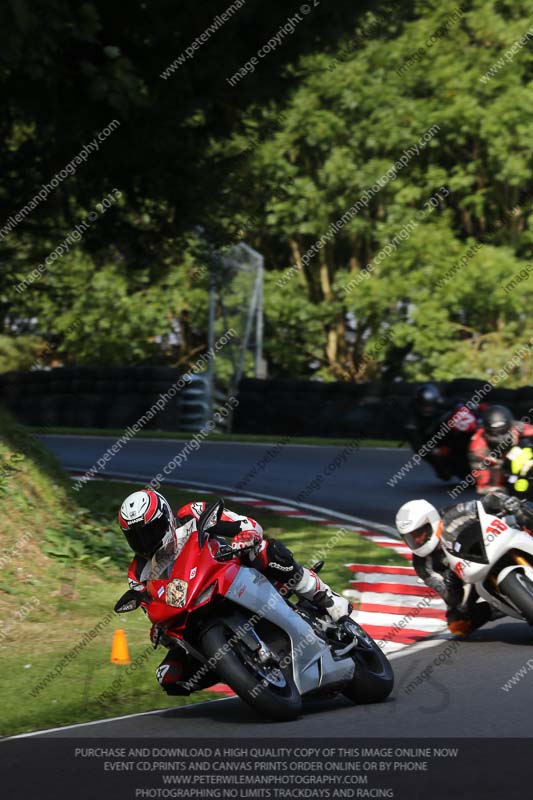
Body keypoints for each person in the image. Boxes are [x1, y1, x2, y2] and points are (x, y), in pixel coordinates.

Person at [118, 489, 351, 694]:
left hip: (231, 570)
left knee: (265, 551)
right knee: (169, 676)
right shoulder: (138, 573)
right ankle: (236, 668)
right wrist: (159, 631)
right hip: (191, 608)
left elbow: (245, 523)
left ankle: (325, 597)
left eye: (150, 531)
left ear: (166, 517)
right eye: (136, 537)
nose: (145, 541)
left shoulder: (191, 513)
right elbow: (152, 608)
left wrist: (244, 535)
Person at [395, 492, 533, 636]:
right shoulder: (422, 565)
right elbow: (448, 597)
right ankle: (507, 605)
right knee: (458, 625)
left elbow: (485, 502)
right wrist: (451, 585)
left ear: (431, 521)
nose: (416, 541)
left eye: (419, 533)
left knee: (522, 513)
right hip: (470, 577)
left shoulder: (453, 514)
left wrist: (505, 501)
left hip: (490, 543)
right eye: (410, 538)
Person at [407, 383, 479, 480]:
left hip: (450, 433)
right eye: (425, 406)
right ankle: (444, 466)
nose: (428, 409)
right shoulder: (412, 418)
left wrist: (468, 405)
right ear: (419, 403)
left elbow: (456, 402)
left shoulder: (441, 402)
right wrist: (432, 452)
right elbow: (416, 445)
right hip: (432, 442)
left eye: (430, 405)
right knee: (445, 474)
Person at [469, 405, 533, 494]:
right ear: (486, 431)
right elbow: (483, 485)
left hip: (522, 465)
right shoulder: (478, 446)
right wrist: (493, 490)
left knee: (527, 443)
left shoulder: (519, 427)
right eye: (495, 433)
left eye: (504, 431)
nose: (500, 437)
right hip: (504, 475)